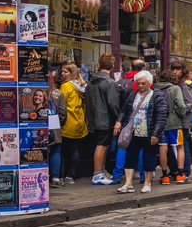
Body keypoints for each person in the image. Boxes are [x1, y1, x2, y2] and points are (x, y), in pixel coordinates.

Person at [114, 70, 168, 194]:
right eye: (138, 83)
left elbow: (161, 116)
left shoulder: (157, 96)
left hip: (148, 132)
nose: (140, 86)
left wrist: (155, 133)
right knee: (130, 157)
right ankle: (128, 184)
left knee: (148, 158)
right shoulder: (133, 95)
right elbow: (125, 110)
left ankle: (147, 183)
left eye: (143, 83)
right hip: (133, 132)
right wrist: (119, 121)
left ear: (149, 83)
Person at [84, 53, 120, 185]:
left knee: (99, 145)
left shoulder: (90, 83)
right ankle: (98, 175)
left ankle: (101, 172)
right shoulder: (110, 83)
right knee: (102, 146)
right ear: (112, 66)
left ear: (99, 65)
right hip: (105, 119)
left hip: (93, 118)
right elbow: (114, 104)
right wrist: (119, 118)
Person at [113, 59, 146, 182]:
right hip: (140, 118)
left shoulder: (120, 82)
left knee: (123, 144)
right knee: (141, 146)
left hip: (125, 118)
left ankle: (117, 174)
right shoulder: (144, 83)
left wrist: (119, 120)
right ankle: (142, 174)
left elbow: (120, 104)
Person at [154, 70, 185, 184]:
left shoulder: (155, 90)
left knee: (162, 148)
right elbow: (181, 105)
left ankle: (165, 176)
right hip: (174, 123)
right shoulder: (175, 88)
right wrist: (181, 114)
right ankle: (180, 174)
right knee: (179, 147)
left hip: (160, 124)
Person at [59, 62, 89, 184]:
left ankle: (59, 176)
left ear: (72, 73)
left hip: (67, 122)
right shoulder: (82, 86)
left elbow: (61, 104)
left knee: (59, 150)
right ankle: (71, 176)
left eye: (65, 72)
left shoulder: (66, 86)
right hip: (78, 122)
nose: (62, 74)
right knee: (74, 149)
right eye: (62, 71)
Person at [169, 60, 192, 182]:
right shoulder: (177, 84)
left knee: (183, 144)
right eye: (173, 69)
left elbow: (190, 103)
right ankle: (177, 169)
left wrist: (180, 112)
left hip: (183, 120)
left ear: (183, 70)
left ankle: (185, 170)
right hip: (178, 120)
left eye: (178, 69)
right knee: (177, 145)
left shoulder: (184, 85)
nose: (175, 72)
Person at [48, 69, 67, 188]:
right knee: (55, 150)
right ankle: (55, 178)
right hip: (54, 123)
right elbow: (63, 113)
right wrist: (59, 123)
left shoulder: (35, 91)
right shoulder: (58, 94)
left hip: (37, 124)